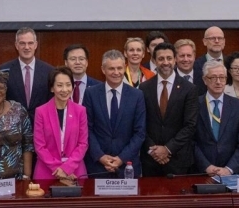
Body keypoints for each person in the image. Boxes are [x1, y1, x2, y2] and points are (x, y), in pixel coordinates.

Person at [85, 50, 147, 178]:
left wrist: (121, 158)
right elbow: (87, 129)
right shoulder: (91, 94)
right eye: (111, 68)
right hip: (98, 166)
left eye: (119, 68)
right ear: (103, 69)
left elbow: (140, 132)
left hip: (127, 166)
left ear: (125, 68)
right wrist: (100, 156)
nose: (116, 72)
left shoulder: (137, 95)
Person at [139, 43, 197, 177]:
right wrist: (154, 151)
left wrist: (167, 149)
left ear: (175, 59)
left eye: (169, 58)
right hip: (150, 160)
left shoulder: (189, 89)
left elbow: (190, 125)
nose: (166, 62)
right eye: (161, 59)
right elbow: (141, 123)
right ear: (154, 61)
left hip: (178, 160)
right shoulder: (144, 88)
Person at [194, 61, 239, 176]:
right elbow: (190, 141)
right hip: (202, 171)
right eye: (213, 77)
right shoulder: (194, 105)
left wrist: (229, 169)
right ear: (205, 80)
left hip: (231, 172)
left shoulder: (238, 106)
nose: (218, 82)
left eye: (222, 77)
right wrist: (206, 166)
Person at [33, 68, 87, 182]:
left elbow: (83, 144)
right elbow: (39, 146)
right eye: (60, 85)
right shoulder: (41, 111)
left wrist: (67, 168)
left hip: (74, 171)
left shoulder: (80, 111)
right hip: (47, 171)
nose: (65, 89)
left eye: (68, 85)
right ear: (52, 88)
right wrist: (58, 169)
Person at [0, 28, 53, 116]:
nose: (27, 47)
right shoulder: (4, 70)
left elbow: (51, 101)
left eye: (30, 43)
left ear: (36, 45)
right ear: (16, 45)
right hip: (14, 126)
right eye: (22, 43)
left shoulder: (49, 71)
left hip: (40, 124)